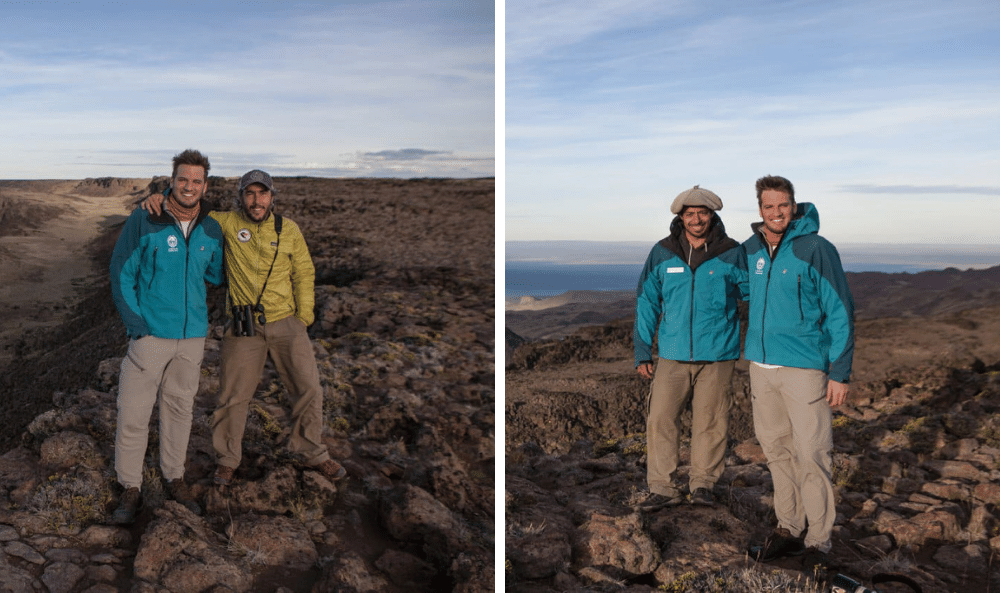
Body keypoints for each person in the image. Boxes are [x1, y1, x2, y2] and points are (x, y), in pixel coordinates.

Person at [143, 170, 346, 485]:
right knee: (232, 396)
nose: (256, 200)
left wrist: (303, 317)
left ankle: (312, 452)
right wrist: (160, 197)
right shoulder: (225, 222)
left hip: (286, 322)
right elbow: (188, 209)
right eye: (249, 194)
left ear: (271, 197)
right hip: (242, 326)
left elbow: (304, 272)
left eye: (262, 194)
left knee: (308, 389)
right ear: (241, 197)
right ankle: (227, 459)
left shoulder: (289, 230)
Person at [738, 175, 855, 564]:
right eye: (769, 206)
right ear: (760, 210)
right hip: (761, 365)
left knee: (812, 453)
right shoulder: (751, 249)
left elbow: (839, 309)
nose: (776, 213)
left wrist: (839, 371)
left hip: (804, 367)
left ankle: (818, 541)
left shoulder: (816, 248)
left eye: (783, 205)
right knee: (776, 450)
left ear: (794, 205)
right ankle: (789, 526)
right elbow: (732, 287)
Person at [109, 149, 225, 524]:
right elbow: (121, 271)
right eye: (182, 179)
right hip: (151, 335)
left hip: (192, 338)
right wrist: (137, 326)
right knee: (133, 413)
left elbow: (216, 275)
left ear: (205, 185)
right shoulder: (147, 217)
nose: (189, 187)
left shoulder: (211, 228)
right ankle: (130, 487)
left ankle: (174, 477)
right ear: (171, 180)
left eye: (196, 181)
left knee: (179, 410)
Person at [632, 186, 743, 511]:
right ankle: (664, 488)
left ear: (712, 215)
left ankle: (703, 485)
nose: (696, 219)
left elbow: (753, 292)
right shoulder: (663, 252)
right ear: (681, 217)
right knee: (661, 419)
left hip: (718, 355)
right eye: (690, 214)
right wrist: (642, 350)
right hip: (672, 355)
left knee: (711, 421)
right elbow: (647, 301)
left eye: (702, 213)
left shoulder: (731, 252)